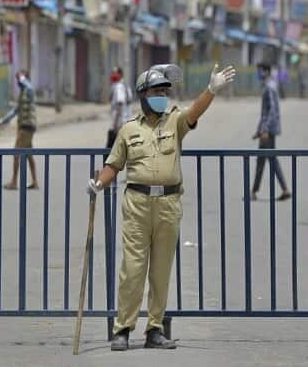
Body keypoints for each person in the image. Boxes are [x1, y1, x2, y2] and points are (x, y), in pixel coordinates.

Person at [87, 63, 236, 351]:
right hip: (138, 204)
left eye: (164, 92)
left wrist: (211, 91)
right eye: (156, 91)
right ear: (143, 95)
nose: (162, 96)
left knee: (161, 271)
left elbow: (195, 113)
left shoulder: (175, 121)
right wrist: (98, 184)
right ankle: (123, 329)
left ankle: (154, 329)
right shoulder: (129, 130)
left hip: (168, 203)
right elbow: (113, 165)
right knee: (132, 269)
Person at [251, 63, 291, 201]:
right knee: (264, 159)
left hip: (269, 130)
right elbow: (265, 113)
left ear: (266, 71)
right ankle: (254, 191)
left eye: (260, 71)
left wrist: (265, 130)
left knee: (268, 159)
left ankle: (282, 189)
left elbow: (272, 111)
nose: (258, 74)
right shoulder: (269, 86)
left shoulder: (269, 87)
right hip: (267, 129)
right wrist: (259, 130)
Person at [0, 70, 39, 190]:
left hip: (27, 127)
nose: (18, 81)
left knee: (16, 153)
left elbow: (29, 87)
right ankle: (35, 181)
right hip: (25, 127)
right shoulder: (23, 93)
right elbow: (15, 111)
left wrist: (23, 79)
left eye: (19, 78)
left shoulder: (29, 90)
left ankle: (14, 182)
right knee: (29, 154)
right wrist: (1, 121)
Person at [107, 67, 133, 149]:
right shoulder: (125, 85)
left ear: (120, 74)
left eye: (115, 73)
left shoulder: (118, 86)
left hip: (120, 122)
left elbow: (120, 104)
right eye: (112, 72)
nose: (113, 75)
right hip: (126, 120)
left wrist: (115, 124)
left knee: (115, 149)